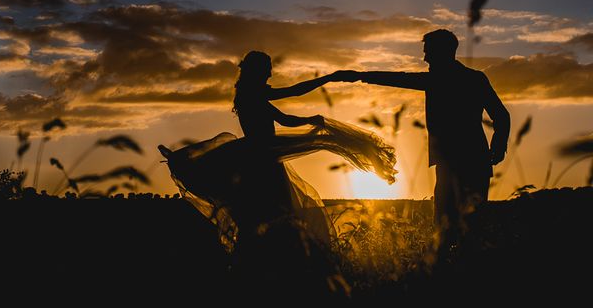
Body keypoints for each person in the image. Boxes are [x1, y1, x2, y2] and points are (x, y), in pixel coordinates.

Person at [159, 50, 397, 295]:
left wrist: (309, 119)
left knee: (268, 213)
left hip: (264, 158)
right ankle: (261, 270)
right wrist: (327, 78)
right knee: (271, 212)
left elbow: (284, 120)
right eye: (267, 68)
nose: (271, 73)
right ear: (257, 70)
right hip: (260, 160)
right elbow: (293, 92)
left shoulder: (254, 94)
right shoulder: (251, 93)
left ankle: (266, 268)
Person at [332, 28, 510, 253]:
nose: (425, 58)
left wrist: (360, 76)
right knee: (464, 227)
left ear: (443, 52)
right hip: (472, 162)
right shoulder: (472, 78)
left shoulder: (448, 79)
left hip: (459, 163)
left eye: (429, 53)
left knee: (450, 227)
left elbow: (400, 79)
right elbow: (502, 116)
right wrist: (498, 146)